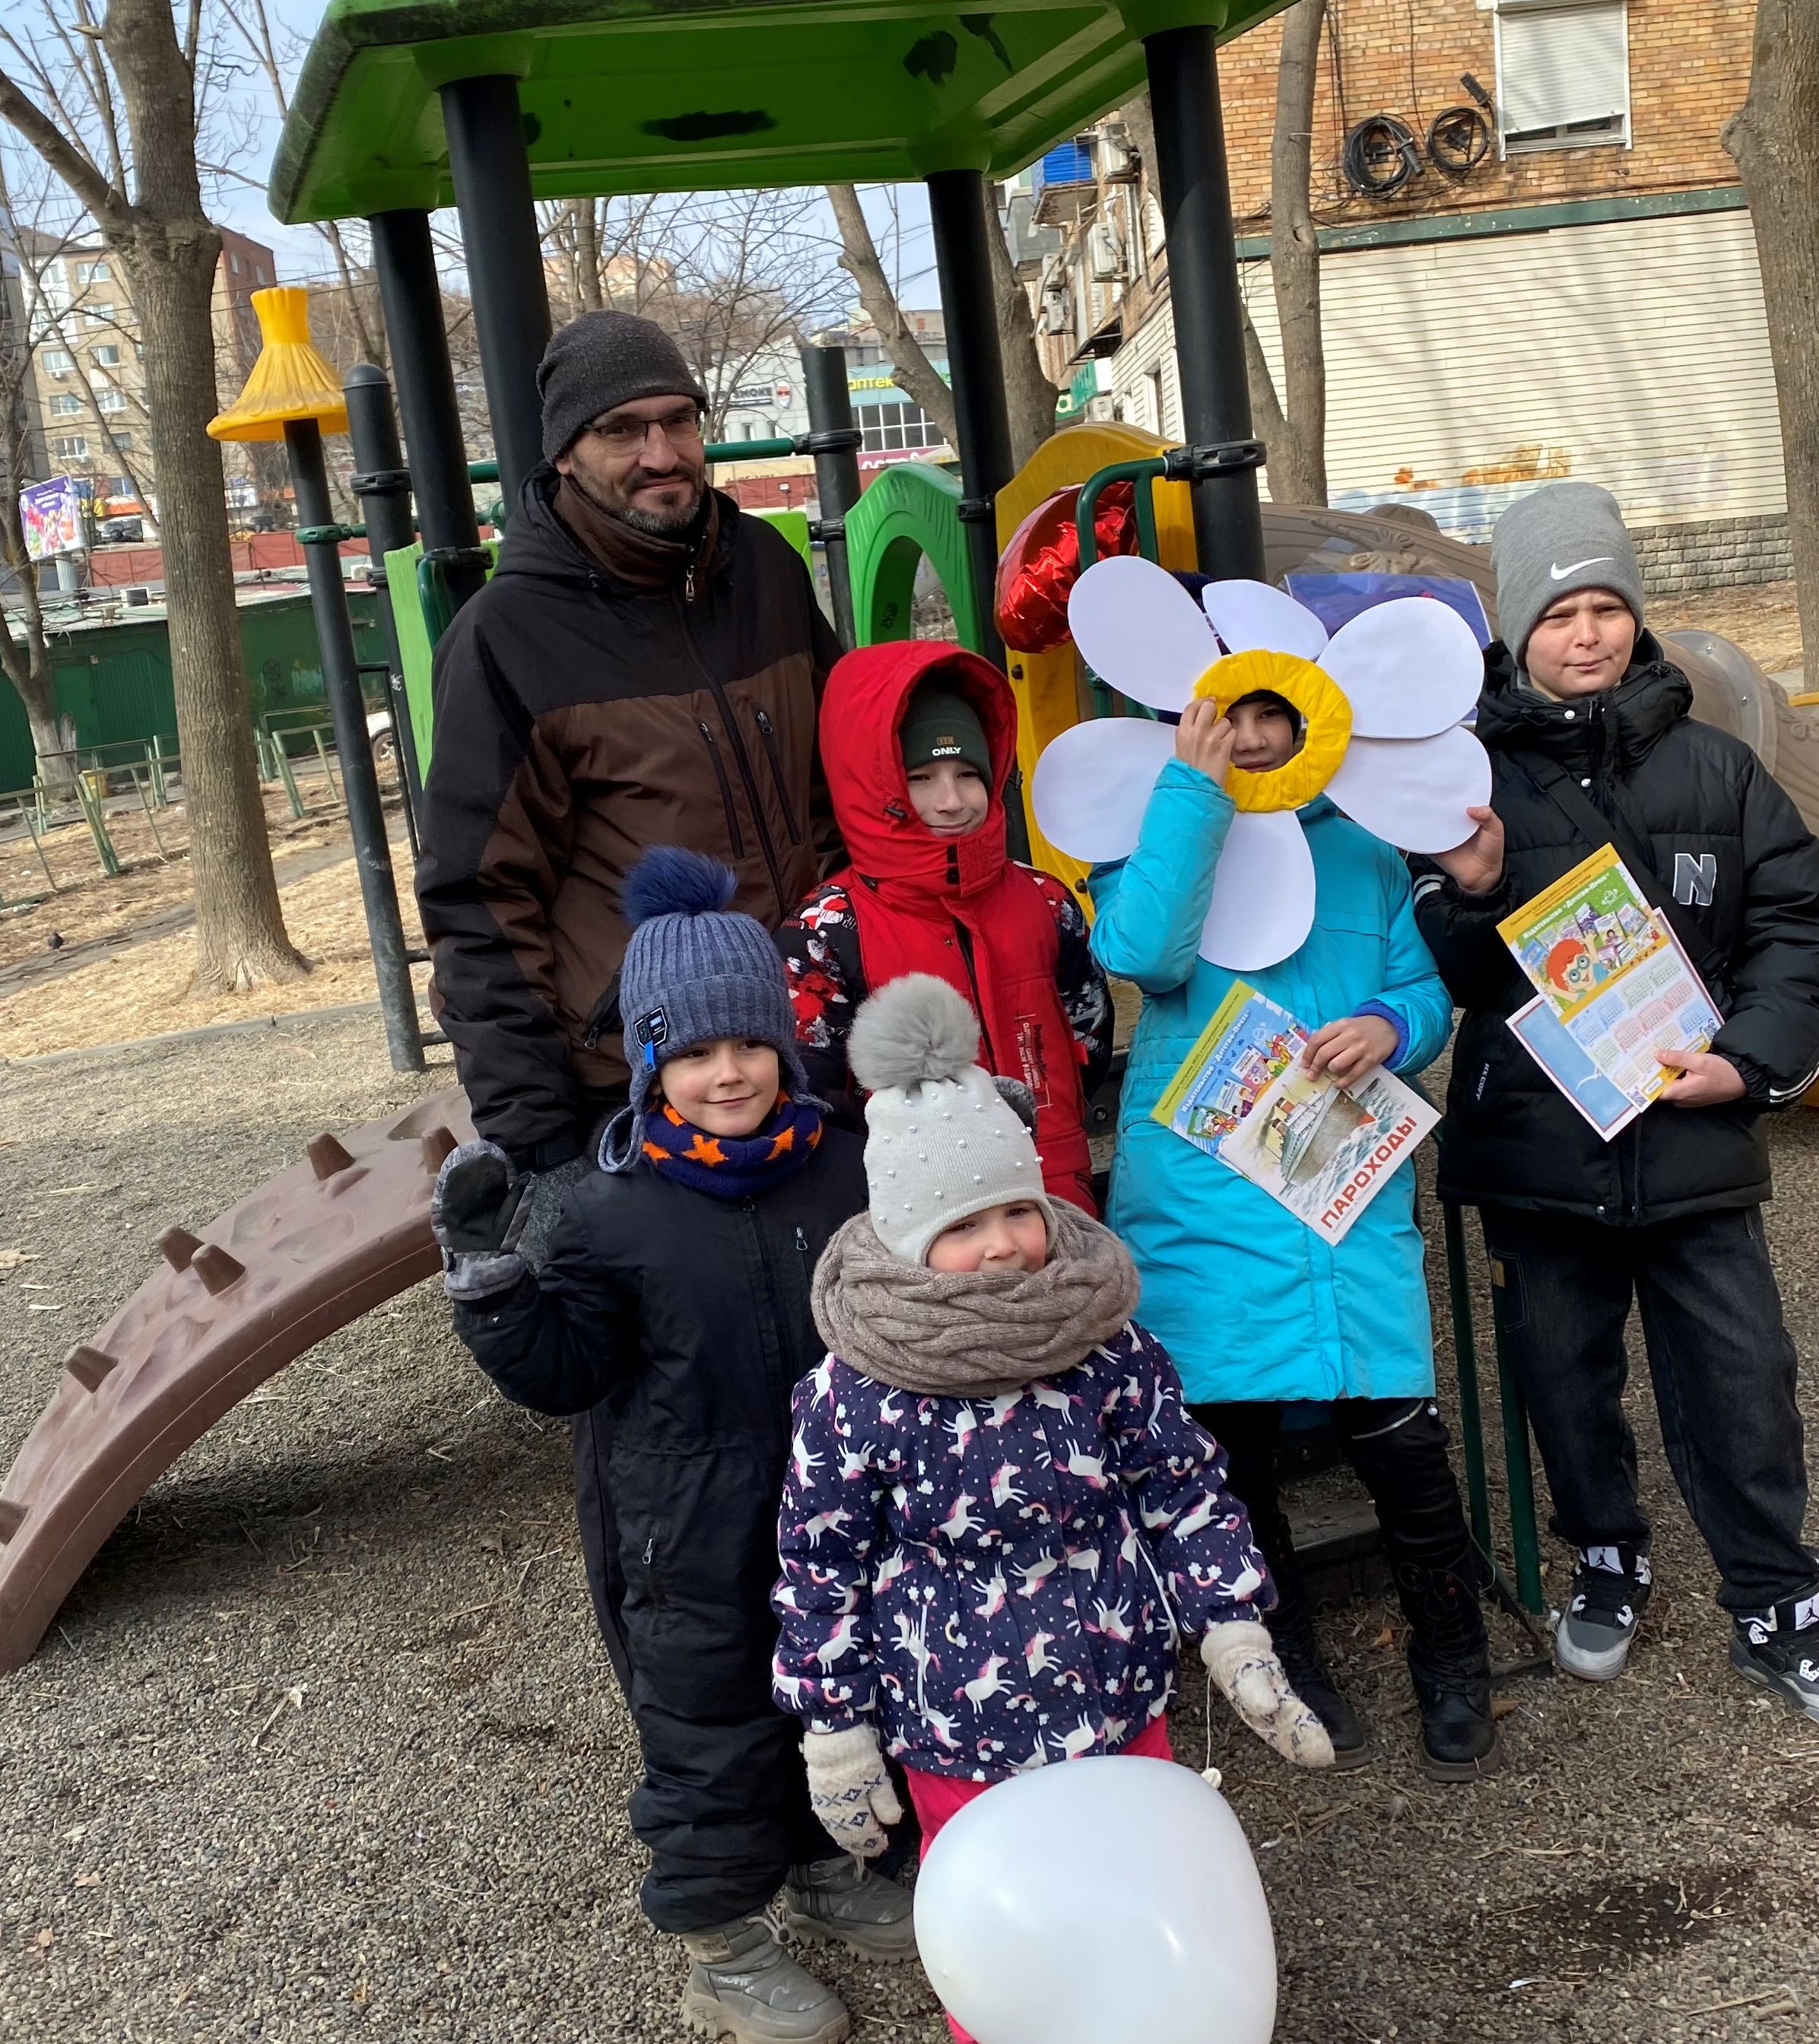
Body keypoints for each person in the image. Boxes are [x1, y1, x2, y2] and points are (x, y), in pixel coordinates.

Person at [772, 976, 1335, 2044]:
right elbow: (820, 1565)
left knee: (1141, 1891)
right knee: (1004, 1936)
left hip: (1118, 1691)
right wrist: (833, 1724)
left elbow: (1181, 1485)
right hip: (958, 1723)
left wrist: (1232, 1626)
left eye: (1016, 1211)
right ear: (904, 1235)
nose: (1001, 1244)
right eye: (962, 1224)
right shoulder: (857, 1392)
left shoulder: (1101, 1344)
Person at [1412, 479, 1819, 1736]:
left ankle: (1778, 1603)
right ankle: (1605, 1554)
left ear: (1635, 614)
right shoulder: (1463, 779)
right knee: (1562, 1376)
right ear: (1514, 630)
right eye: (1557, 613)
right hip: (1539, 1145)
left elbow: (1802, 928)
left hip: (1691, 1134)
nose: (1586, 634)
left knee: (1742, 1375)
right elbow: (1451, 977)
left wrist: (1750, 1059)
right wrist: (1472, 892)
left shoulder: (1717, 767)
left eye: (1605, 607)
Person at [430, 847, 907, 2044]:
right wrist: (497, 1293)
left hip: (838, 1510)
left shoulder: (847, 1171)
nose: (726, 1072)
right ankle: (721, 1943)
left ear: (784, 1044)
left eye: (747, 1043)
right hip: (684, 1531)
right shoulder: (608, 1209)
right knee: (712, 1729)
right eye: (691, 1053)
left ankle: (828, 1866)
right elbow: (565, 1376)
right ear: (651, 1067)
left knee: (836, 1690)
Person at [1087, 682, 1497, 1780]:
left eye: (1275, 718)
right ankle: (1290, 1658)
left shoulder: (1363, 848)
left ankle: (1453, 1660)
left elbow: (1420, 990)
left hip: (1341, 1187)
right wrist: (1194, 797)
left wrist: (1389, 1025)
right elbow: (1143, 952)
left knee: (1401, 1440)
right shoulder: (1149, 825)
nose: (1256, 739)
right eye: (1233, 717)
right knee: (1234, 1448)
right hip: (1205, 1191)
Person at [418, 309, 840, 1217]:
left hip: (804, 1046)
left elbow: (839, 787)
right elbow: (480, 902)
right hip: (642, 1078)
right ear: (566, 456)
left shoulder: (764, 571)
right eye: (621, 431)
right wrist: (536, 1138)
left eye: (678, 421)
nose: (661, 454)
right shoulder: (508, 635)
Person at [776, 641, 1112, 1208]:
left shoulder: (1045, 900)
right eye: (921, 777)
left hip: (1056, 1192)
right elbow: (814, 1094)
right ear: (876, 789)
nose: (951, 800)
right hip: (917, 1212)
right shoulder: (827, 929)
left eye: (967, 773)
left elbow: (1091, 1041)